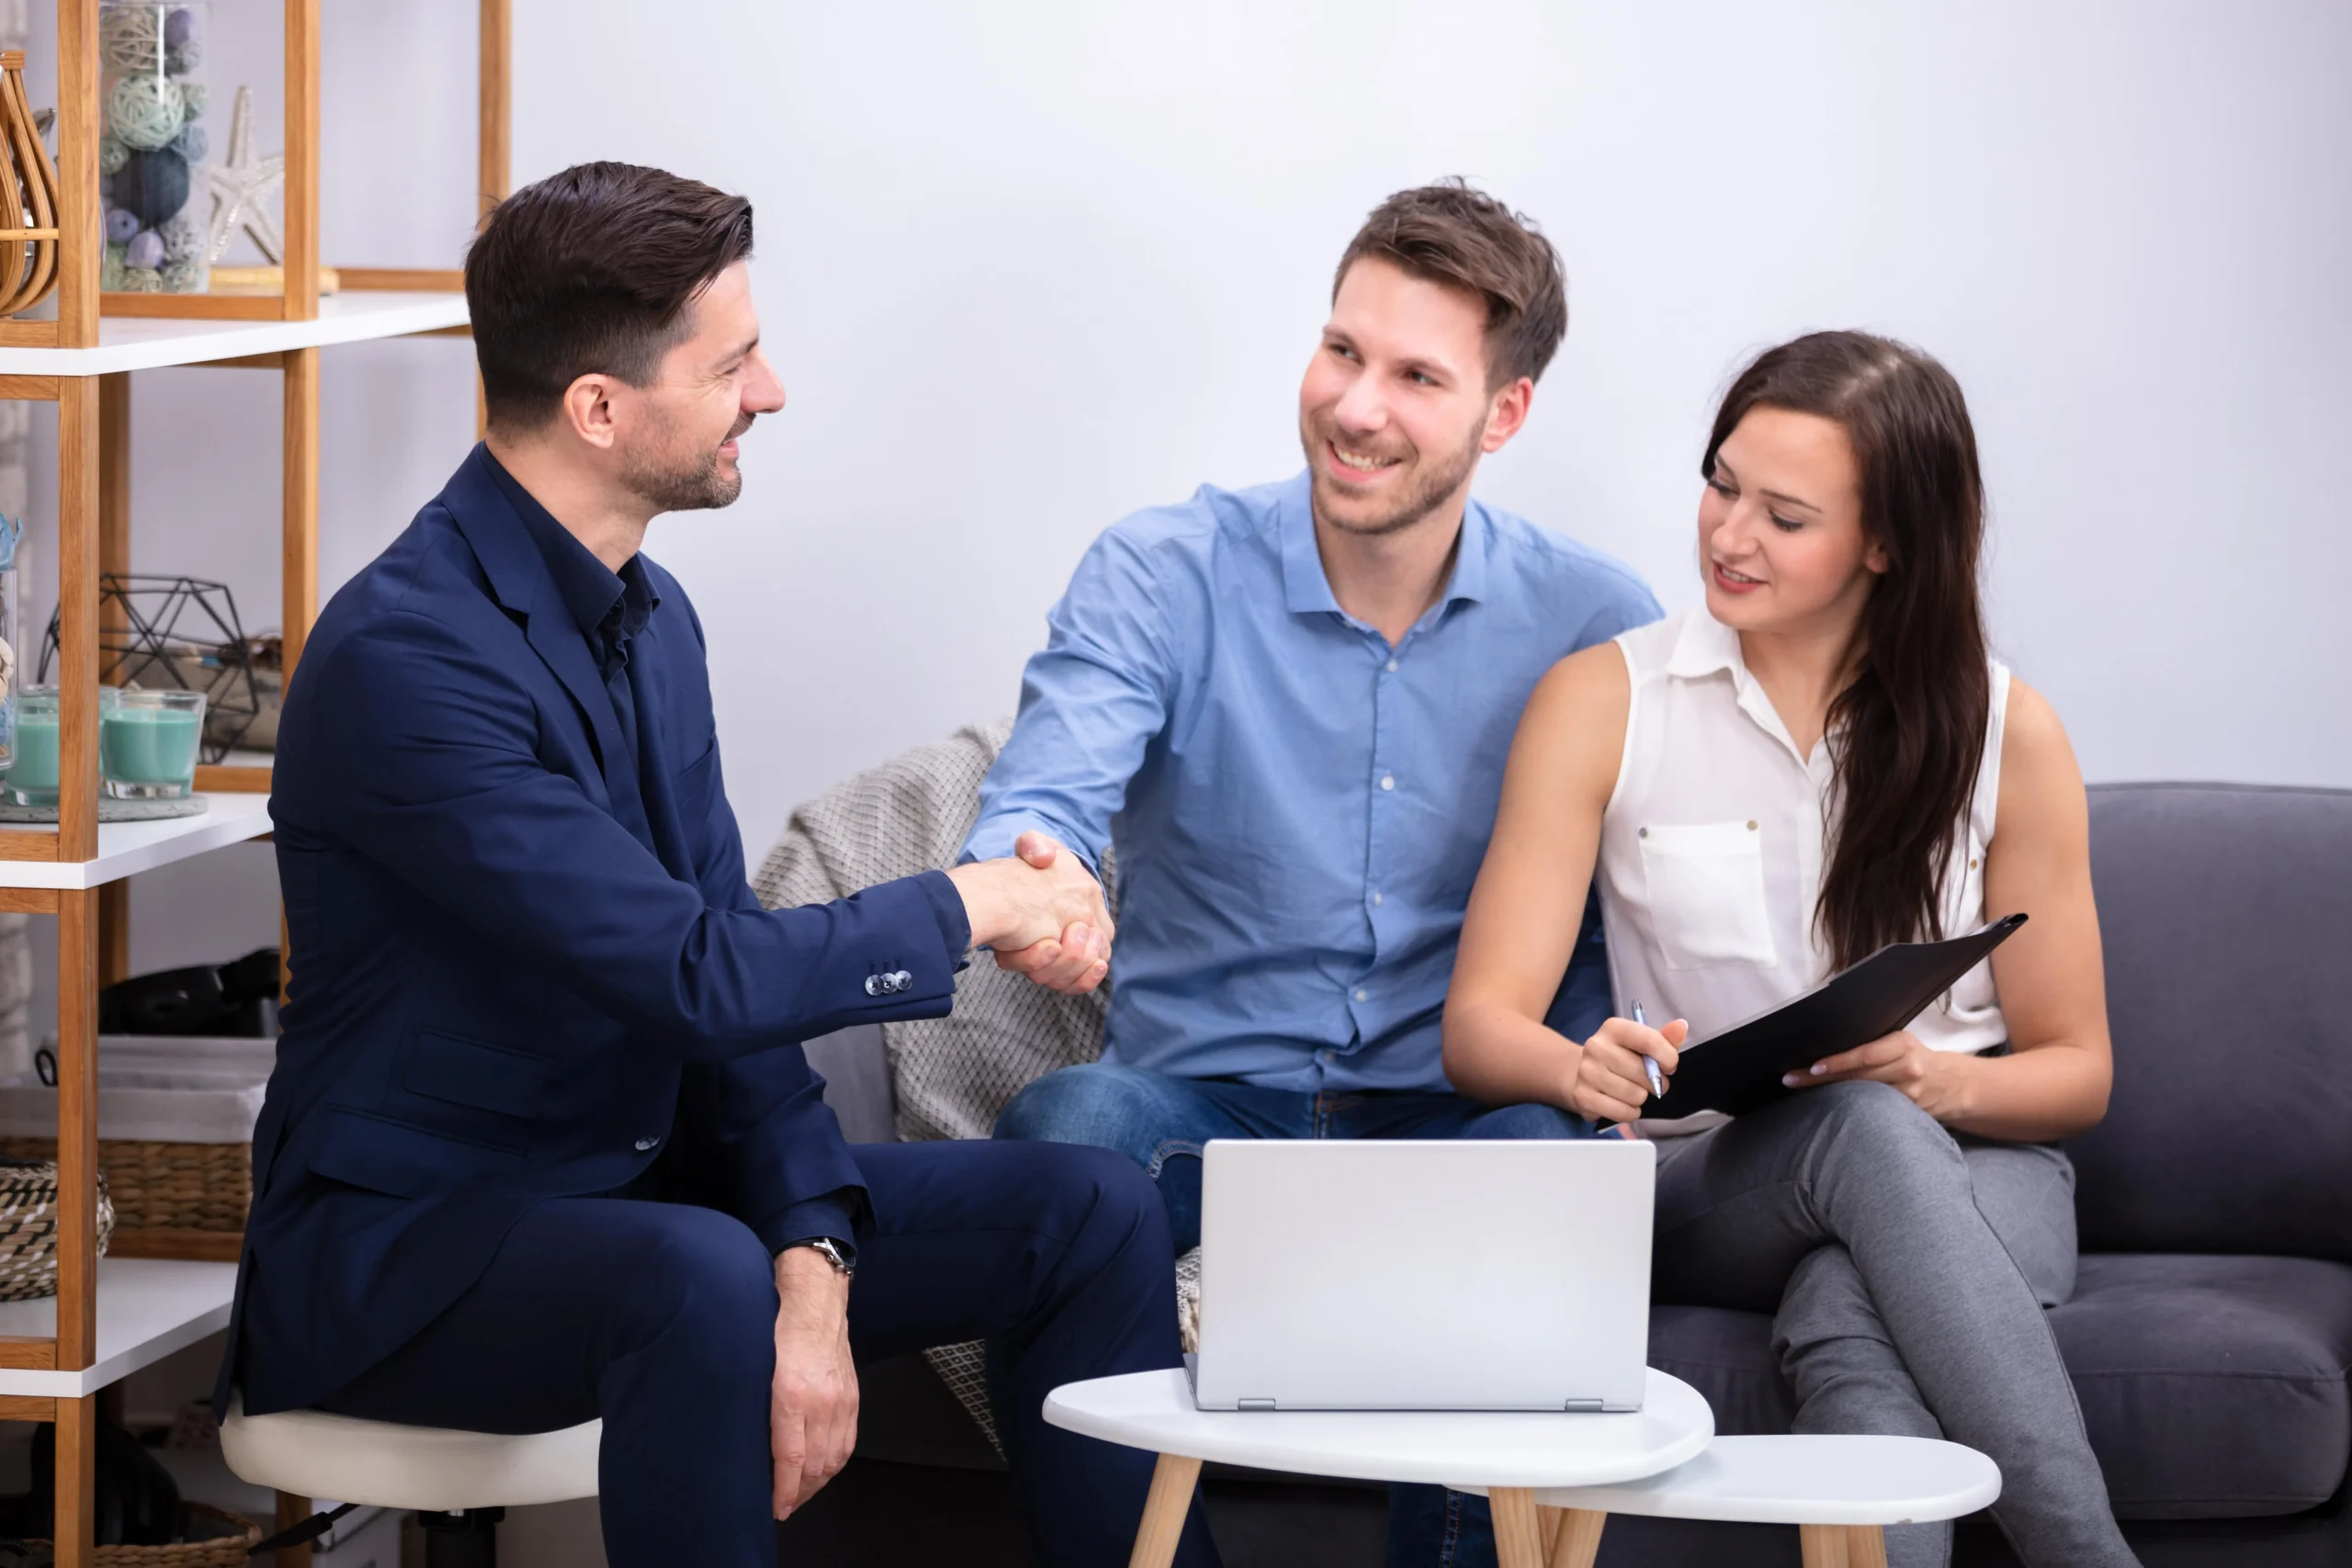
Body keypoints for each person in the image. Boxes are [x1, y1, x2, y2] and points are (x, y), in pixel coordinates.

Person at [216, 163, 1218, 1568]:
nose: (773, 390)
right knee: (694, 1270)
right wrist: (975, 902)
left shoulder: (650, 616)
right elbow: (693, 976)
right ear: (599, 407)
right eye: (734, 361)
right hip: (409, 1259)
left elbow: (726, 986)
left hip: (633, 1203)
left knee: (1085, 1206)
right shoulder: (406, 659)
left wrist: (813, 1256)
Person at [978, 180, 1660, 1566]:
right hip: (1204, 1107)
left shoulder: (1599, 624)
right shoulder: (1163, 572)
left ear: (1504, 413)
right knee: (1062, 1132)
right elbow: (1041, 798)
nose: (1357, 405)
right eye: (1343, 350)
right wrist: (1040, 885)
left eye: (1418, 375)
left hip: (1464, 1113)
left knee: (1544, 1183)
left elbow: (1667, 903)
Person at [1442, 330, 2141, 1568]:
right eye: (1721, 485)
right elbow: (1480, 1025)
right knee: (1863, 1136)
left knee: (1850, 1313)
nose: (1729, 534)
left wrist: (1938, 1079)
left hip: (1985, 1169)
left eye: (1785, 514)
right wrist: (1575, 1067)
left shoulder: (2007, 732)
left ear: (1885, 544)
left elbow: (2076, 1070)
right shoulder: (1605, 701)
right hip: (1721, 1179)